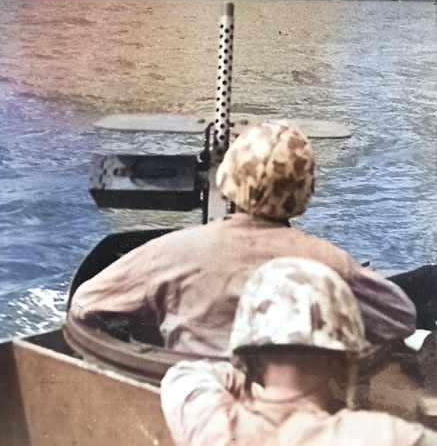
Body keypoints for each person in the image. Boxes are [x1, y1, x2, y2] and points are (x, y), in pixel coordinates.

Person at [68, 121, 415, 356]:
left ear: (227, 180)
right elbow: (399, 319)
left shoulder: (170, 252)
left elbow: (84, 305)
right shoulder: (328, 262)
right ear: (304, 193)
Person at [160, 257, 436, 446]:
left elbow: (185, 375)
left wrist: (243, 369)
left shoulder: (211, 424)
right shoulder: (383, 435)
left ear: (248, 352)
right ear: (343, 361)